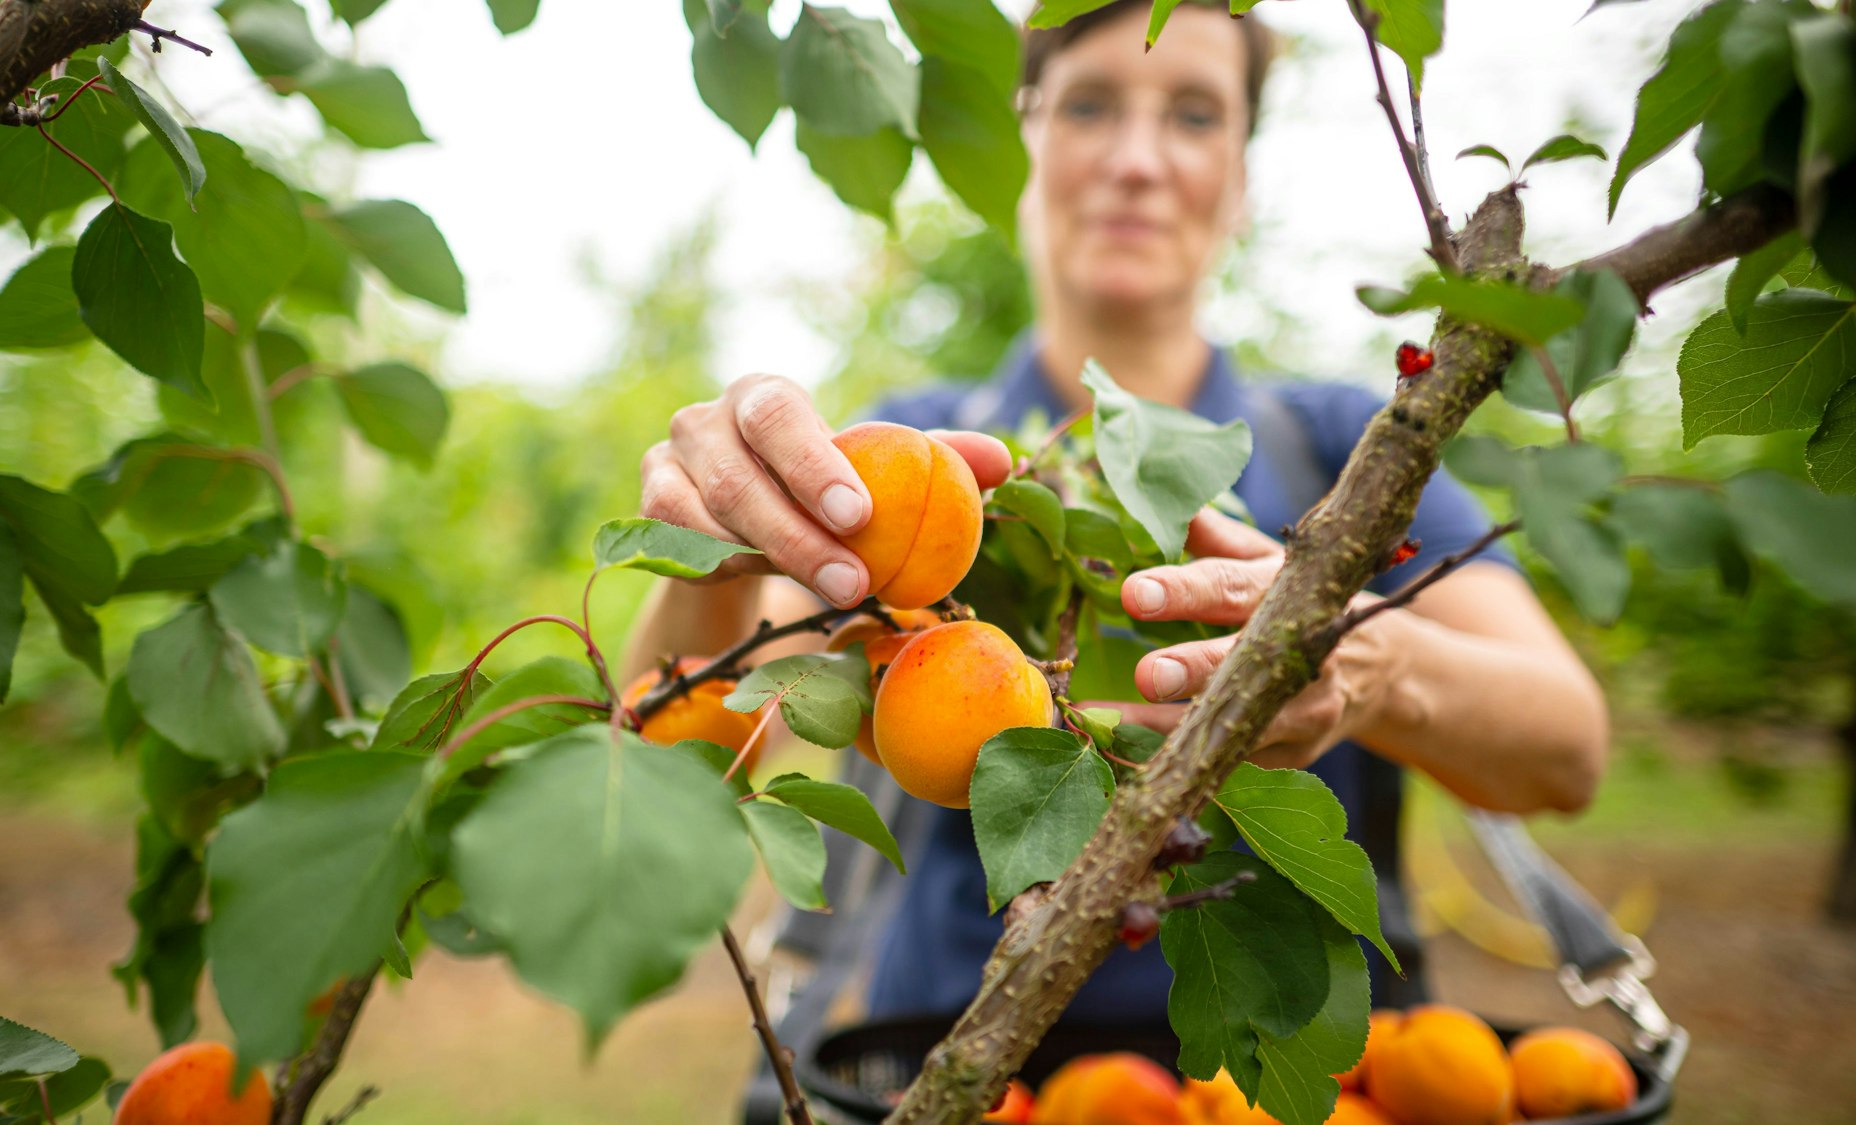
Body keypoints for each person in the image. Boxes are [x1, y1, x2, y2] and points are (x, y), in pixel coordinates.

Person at [627, 0, 1609, 1024]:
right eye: (1089, 104)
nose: (1136, 159)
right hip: (951, 1059)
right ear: (1027, 135)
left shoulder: (1348, 451)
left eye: (1193, 115)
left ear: (1242, 174)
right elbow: (687, 743)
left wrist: (1369, 664)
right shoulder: (914, 455)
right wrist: (715, 539)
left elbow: (1568, 748)